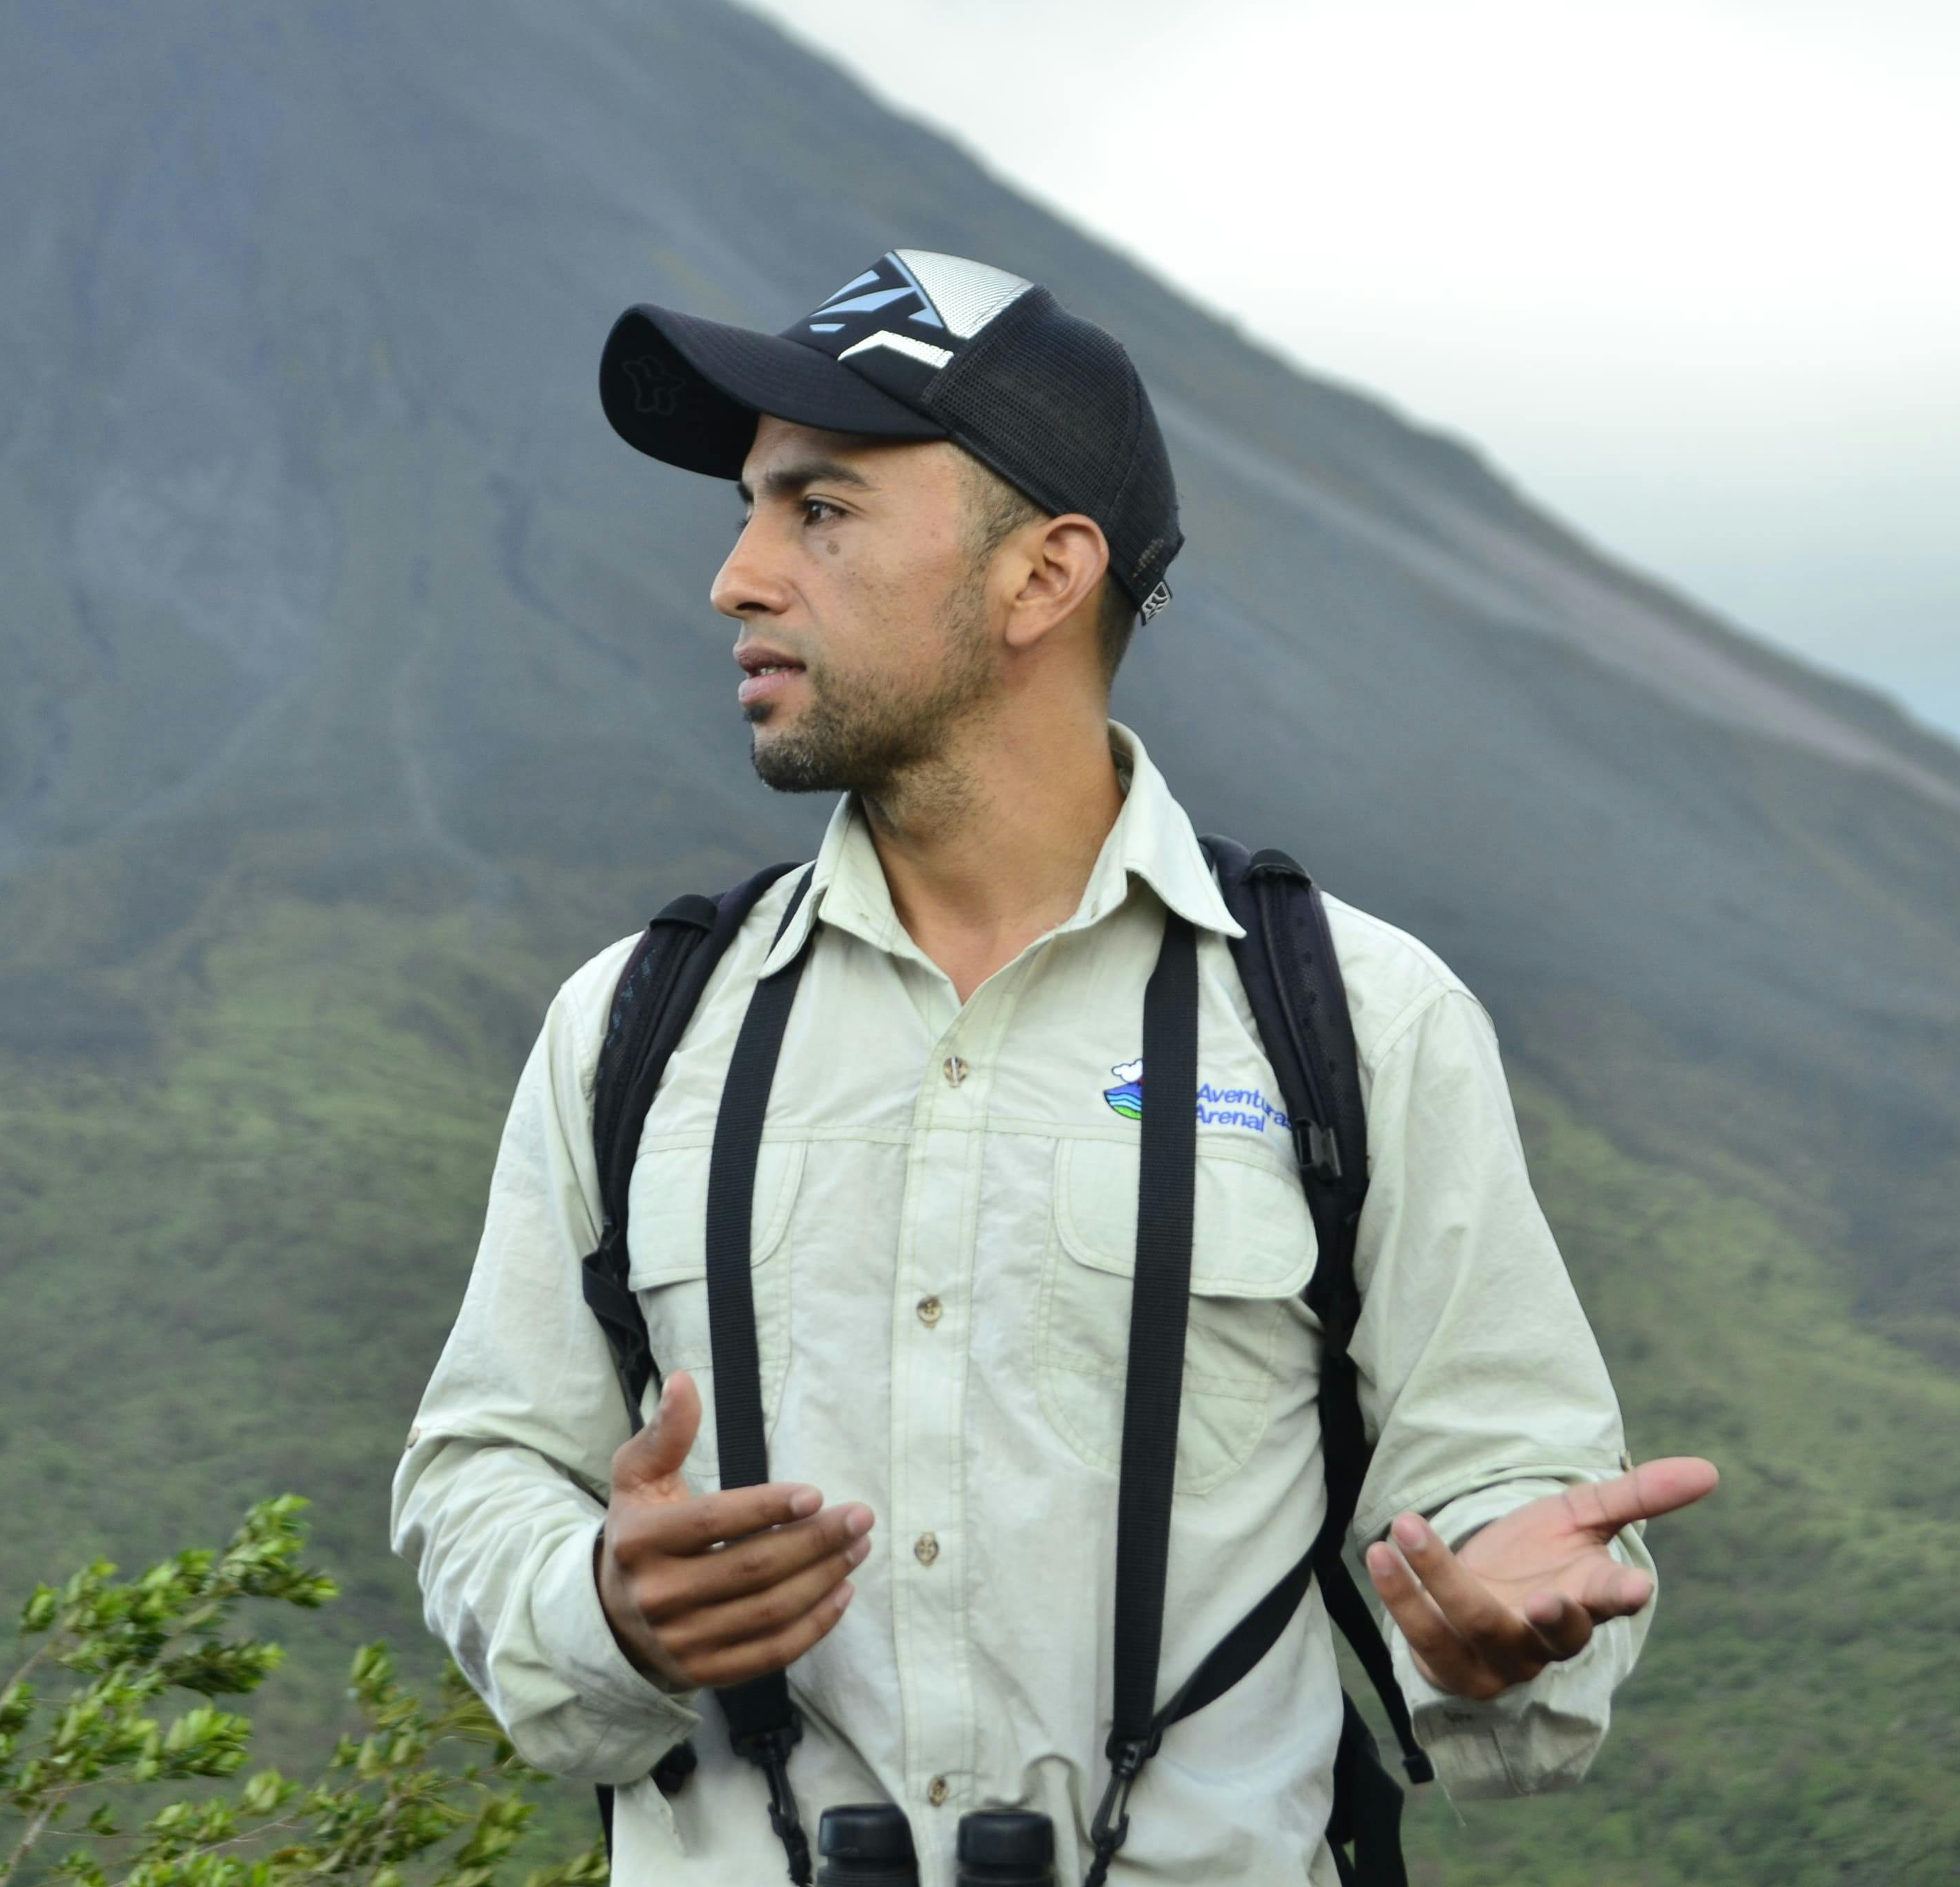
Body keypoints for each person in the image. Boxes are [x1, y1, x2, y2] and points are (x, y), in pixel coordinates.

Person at [389, 249, 1718, 1886]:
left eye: (819, 510)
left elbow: (1506, 1492)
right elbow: (482, 1467)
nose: (735, 576)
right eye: (744, 510)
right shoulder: (638, 1027)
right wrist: (595, 1604)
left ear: (1043, 578)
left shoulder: (1354, 1019)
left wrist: (1499, 1621)